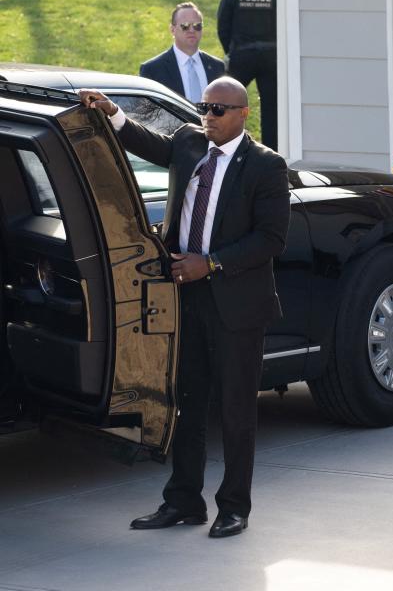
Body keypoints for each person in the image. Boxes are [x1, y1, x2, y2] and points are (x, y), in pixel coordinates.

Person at [78, 78, 290, 538]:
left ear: (242, 114)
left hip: (237, 305)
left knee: (235, 409)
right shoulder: (190, 142)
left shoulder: (265, 166)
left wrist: (210, 263)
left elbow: (271, 239)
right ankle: (183, 501)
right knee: (186, 404)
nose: (207, 116)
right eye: (203, 106)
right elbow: (145, 141)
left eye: (217, 109)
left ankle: (234, 506)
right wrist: (112, 112)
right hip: (184, 298)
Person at [217, 0, 277, 150]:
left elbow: (223, 25)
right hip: (272, 57)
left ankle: (228, 145)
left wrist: (230, 50)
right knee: (272, 109)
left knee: (228, 104)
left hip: (241, 56)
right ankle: (272, 152)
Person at [139, 2, 225, 103]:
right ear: (172, 29)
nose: (192, 30)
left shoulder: (217, 66)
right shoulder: (152, 69)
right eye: (185, 26)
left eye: (197, 26)